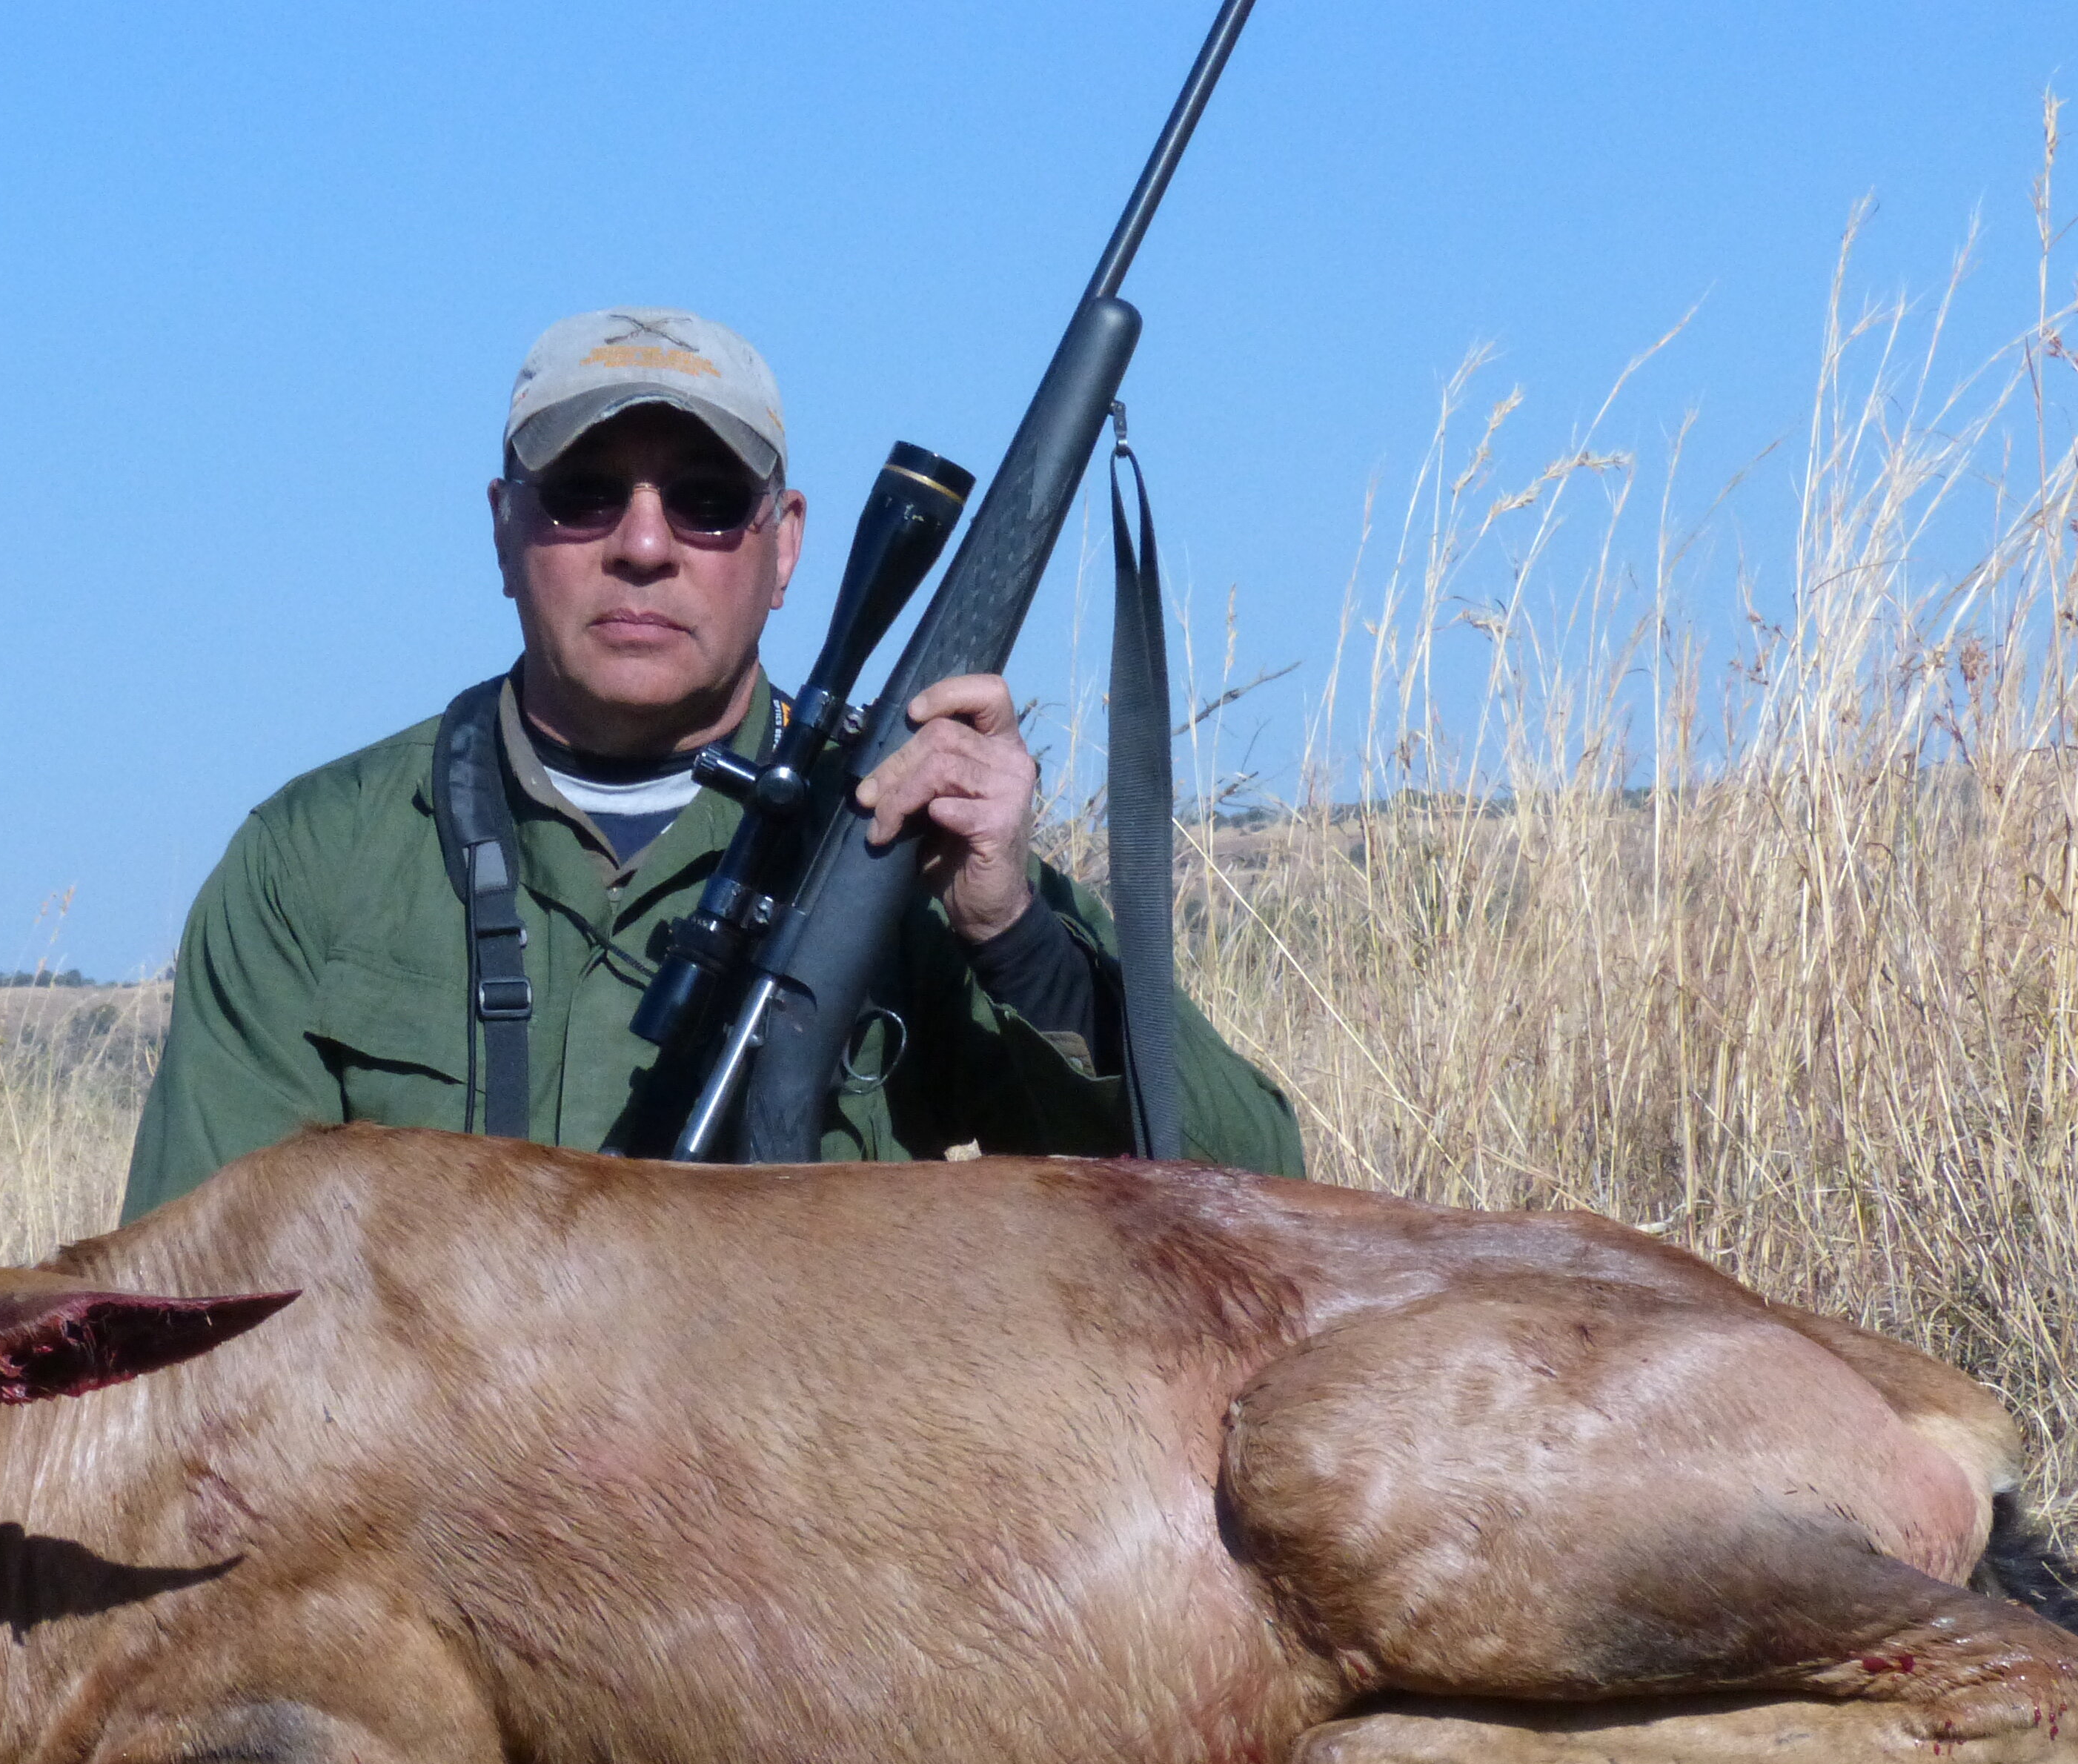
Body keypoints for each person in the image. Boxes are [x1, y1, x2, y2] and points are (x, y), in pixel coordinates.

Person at [120, 306, 1304, 1218]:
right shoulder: (314, 866)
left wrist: (1013, 936)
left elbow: (1251, 1194)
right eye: (585, 498)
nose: (644, 546)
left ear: (785, 547)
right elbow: (179, 1306)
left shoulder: (900, 840)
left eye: (706, 503)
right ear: (503, 528)